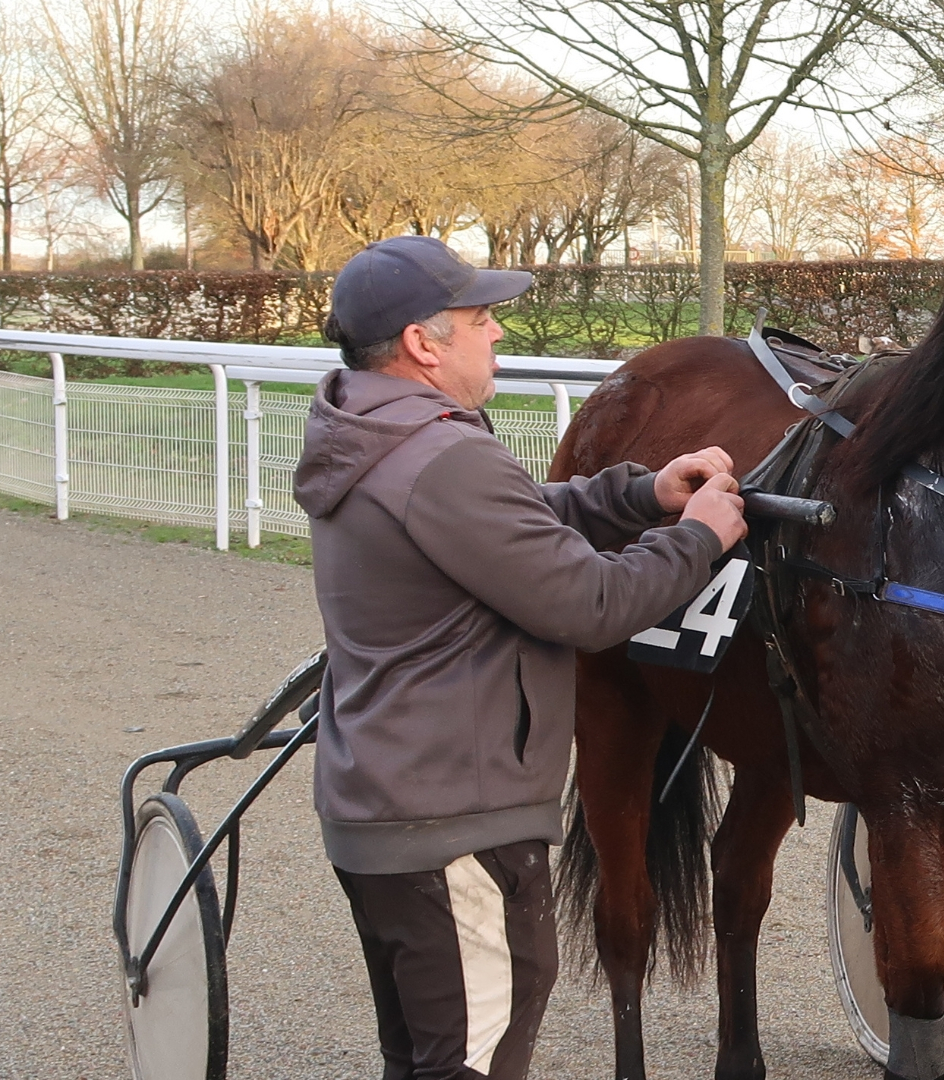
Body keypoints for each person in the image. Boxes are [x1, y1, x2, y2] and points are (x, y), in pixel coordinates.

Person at [295, 235, 747, 1080]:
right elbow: (591, 606)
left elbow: (513, 519)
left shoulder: (368, 432)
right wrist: (697, 538)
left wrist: (642, 492)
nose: (497, 333)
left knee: (427, 1057)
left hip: (384, 812)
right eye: (481, 318)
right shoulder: (445, 457)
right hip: (456, 825)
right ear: (424, 344)